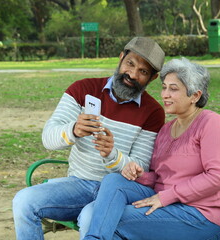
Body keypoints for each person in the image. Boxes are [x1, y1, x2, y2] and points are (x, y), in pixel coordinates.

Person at [12, 37, 166, 240]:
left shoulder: (153, 112)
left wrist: (113, 155)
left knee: (88, 218)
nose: (132, 74)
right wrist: (73, 130)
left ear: (152, 79)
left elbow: (140, 168)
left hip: (118, 191)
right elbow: (48, 138)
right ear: (121, 58)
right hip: (78, 184)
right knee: (23, 201)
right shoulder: (83, 89)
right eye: (130, 63)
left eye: (143, 72)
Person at [82, 57, 220, 240]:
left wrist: (167, 197)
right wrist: (140, 175)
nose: (165, 95)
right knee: (113, 181)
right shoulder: (166, 130)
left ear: (195, 96)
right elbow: (159, 177)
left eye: (173, 89)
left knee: (110, 220)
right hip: (168, 203)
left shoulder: (211, 124)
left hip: (200, 216)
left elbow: (218, 177)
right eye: (164, 87)